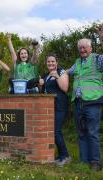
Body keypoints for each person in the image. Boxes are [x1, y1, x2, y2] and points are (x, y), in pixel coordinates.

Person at [67, 24, 103, 171]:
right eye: (80, 48)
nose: (82, 50)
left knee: (92, 133)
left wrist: (102, 37)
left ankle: (95, 162)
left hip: (93, 102)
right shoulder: (77, 62)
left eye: (85, 47)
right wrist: (52, 73)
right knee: (81, 133)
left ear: (90, 48)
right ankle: (84, 160)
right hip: (78, 103)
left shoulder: (98, 59)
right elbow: (66, 72)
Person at [39, 54, 70, 166]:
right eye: (48, 62)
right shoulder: (46, 75)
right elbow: (43, 93)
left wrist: (56, 76)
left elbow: (65, 88)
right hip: (50, 107)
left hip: (60, 106)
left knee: (56, 131)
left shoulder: (61, 72)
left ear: (57, 62)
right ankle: (62, 155)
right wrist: (41, 85)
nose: (51, 63)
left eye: (53, 61)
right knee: (54, 131)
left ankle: (65, 156)